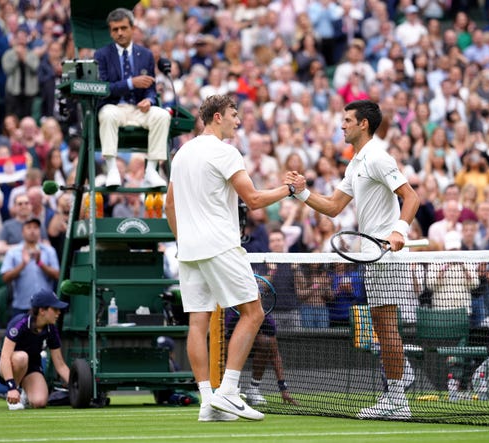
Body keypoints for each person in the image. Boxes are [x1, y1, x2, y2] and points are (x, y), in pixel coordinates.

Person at [164, 94, 303, 422]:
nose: (237, 121)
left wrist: (184, 239)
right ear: (216, 118)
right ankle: (228, 391)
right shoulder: (225, 152)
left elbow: (169, 205)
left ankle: (207, 402)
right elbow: (254, 200)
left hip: (190, 250)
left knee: (198, 322)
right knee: (253, 313)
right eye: (233, 115)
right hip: (220, 245)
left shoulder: (181, 153)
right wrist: (290, 190)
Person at [288, 100, 419, 419]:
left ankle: (398, 398)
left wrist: (399, 230)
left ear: (363, 124)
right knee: (383, 328)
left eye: (347, 120)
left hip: (385, 256)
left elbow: (411, 197)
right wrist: (302, 193)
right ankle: (400, 383)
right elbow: (333, 207)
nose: (342, 125)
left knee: (386, 329)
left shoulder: (377, 157)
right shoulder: (356, 162)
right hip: (371, 256)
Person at [94, 8, 171, 188]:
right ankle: (112, 168)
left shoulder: (146, 55)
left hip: (138, 109)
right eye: (115, 29)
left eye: (123, 28)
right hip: (115, 107)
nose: (119, 33)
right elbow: (103, 89)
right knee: (107, 114)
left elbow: (151, 88)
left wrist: (149, 101)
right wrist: (130, 83)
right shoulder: (102, 54)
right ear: (110, 32)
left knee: (162, 115)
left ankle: (152, 170)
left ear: (132, 28)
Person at [0, 289, 70, 410]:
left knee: (39, 402)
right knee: (21, 357)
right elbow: (5, 357)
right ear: (42, 310)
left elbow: (60, 365)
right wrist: (12, 388)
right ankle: (13, 395)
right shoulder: (19, 323)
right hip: (4, 365)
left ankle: (24, 395)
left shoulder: (51, 329)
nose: (58, 312)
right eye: (54, 309)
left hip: (31, 366)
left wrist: (77, 386)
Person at [0, 218, 60, 319]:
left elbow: (57, 275)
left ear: (40, 231)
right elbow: (5, 278)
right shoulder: (13, 252)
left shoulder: (49, 251)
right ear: (22, 232)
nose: (32, 230)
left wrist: (40, 263)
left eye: (36, 228)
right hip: (21, 306)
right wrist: (22, 264)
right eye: (29, 227)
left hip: (45, 307)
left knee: (46, 334)